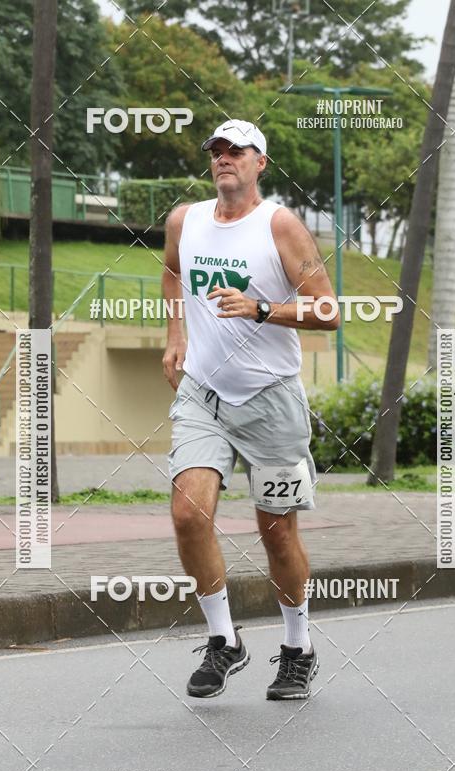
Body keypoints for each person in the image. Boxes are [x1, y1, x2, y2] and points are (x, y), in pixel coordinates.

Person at [161, 118, 339, 701]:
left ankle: (297, 648)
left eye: (237, 150)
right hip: (203, 393)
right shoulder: (185, 222)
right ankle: (224, 640)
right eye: (216, 150)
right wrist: (175, 335)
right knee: (189, 514)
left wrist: (261, 308)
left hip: (271, 400)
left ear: (261, 162)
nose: (224, 158)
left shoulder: (280, 225)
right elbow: (169, 271)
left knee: (277, 534)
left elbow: (328, 312)